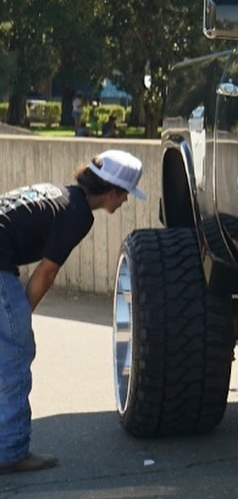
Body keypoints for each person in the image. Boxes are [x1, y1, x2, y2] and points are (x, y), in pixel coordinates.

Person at [0, 150, 145, 474]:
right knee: (15, 354)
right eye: (125, 194)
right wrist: (20, 319)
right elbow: (46, 272)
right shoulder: (77, 213)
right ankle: (9, 452)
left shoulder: (59, 193)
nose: (125, 201)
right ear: (112, 191)